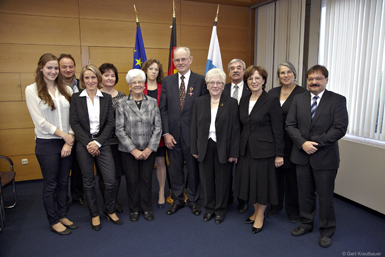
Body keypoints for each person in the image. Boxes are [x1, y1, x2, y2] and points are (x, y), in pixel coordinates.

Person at [286, 65, 348, 248]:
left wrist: (315, 143)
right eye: (311, 79)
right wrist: (302, 143)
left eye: (318, 78)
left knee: (326, 197)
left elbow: (339, 128)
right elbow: (290, 125)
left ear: (326, 80)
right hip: (301, 155)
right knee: (304, 195)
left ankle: (327, 231)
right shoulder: (298, 99)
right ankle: (305, 225)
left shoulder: (337, 100)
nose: (314, 82)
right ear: (307, 80)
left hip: (325, 158)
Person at [25, 53, 77, 235]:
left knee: (64, 182)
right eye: (49, 67)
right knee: (51, 183)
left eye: (56, 68)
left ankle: (62, 215)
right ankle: (53, 220)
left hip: (66, 143)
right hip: (47, 143)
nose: (53, 71)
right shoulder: (31, 90)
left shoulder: (67, 90)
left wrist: (69, 140)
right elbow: (39, 121)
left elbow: (73, 117)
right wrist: (64, 135)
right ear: (41, 68)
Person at [70, 64, 122, 231]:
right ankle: (94, 214)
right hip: (83, 144)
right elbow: (74, 123)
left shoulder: (105, 98)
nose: (90, 81)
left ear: (98, 79)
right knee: (88, 182)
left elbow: (110, 123)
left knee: (110, 181)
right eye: (87, 78)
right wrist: (88, 143)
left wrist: (98, 142)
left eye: (93, 77)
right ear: (82, 80)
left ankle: (110, 209)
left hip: (103, 143)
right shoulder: (76, 98)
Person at [234, 65, 284, 234]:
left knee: (261, 185)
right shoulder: (244, 99)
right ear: (246, 81)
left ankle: (261, 215)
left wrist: (279, 154)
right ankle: (255, 211)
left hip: (264, 151)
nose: (253, 81)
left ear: (263, 80)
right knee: (250, 183)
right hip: (246, 150)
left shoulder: (270, 100)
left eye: (257, 78)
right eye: (250, 78)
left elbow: (278, 129)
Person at [160, 46, 208, 216]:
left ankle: (194, 200)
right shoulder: (167, 81)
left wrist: (199, 137)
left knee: (194, 170)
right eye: (177, 60)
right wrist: (165, 133)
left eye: (183, 59)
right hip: (172, 136)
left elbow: (204, 111)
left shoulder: (201, 81)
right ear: (173, 62)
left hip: (192, 136)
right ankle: (178, 199)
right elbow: (163, 109)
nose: (180, 62)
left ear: (190, 59)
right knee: (175, 170)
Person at [190, 68, 240, 224]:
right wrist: (194, 148)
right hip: (205, 146)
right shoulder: (199, 102)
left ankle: (220, 210)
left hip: (223, 146)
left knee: (223, 180)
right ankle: (209, 208)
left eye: (219, 82)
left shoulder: (231, 103)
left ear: (223, 85)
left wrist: (234, 152)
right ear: (207, 84)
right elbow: (193, 127)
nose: (215, 85)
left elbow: (236, 129)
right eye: (212, 82)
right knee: (207, 179)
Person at [115, 69, 162, 222]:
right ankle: (134, 209)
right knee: (132, 180)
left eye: (140, 82)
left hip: (149, 149)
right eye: (133, 82)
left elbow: (158, 127)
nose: (137, 85)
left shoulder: (153, 102)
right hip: (129, 151)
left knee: (147, 179)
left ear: (144, 84)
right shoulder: (122, 103)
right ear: (129, 86)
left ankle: (146, 208)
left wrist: (149, 148)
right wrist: (133, 150)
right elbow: (119, 130)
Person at [267, 61, 307, 222]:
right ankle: (275, 206)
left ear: (295, 74)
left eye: (289, 72)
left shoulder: (303, 93)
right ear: (278, 76)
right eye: (282, 73)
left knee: (292, 178)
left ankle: (293, 210)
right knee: (276, 177)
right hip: (274, 141)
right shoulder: (272, 92)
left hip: (293, 142)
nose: (286, 75)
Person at [96, 63, 126, 213]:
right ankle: (106, 202)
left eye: (112, 75)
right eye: (106, 75)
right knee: (104, 175)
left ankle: (113, 201)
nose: (109, 78)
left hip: (119, 142)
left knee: (117, 174)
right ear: (100, 77)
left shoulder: (122, 97)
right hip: (102, 142)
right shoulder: (94, 95)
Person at [58, 54, 87, 208]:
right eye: (64, 67)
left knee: (78, 167)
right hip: (60, 133)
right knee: (61, 170)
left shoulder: (82, 85)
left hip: (79, 133)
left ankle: (78, 196)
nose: (68, 70)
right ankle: (61, 199)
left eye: (71, 66)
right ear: (59, 68)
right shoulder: (54, 86)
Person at [223, 58, 250, 213]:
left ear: (244, 71)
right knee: (226, 170)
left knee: (242, 172)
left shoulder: (251, 89)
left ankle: (243, 200)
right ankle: (226, 198)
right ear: (228, 72)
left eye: (239, 67)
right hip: (225, 137)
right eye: (232, 68)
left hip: (245, 137)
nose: (235, 70)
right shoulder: (221, 88)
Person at [141, 59, 167, 209]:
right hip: (142, 133)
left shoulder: (163, 88)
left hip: (159, 132)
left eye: (156, 69)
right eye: (151, 69)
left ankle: (162, 192)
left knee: (161, 162)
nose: (153, 72)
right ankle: (144, 194)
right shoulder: (139, 86)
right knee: (145, 164)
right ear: (145, 70)